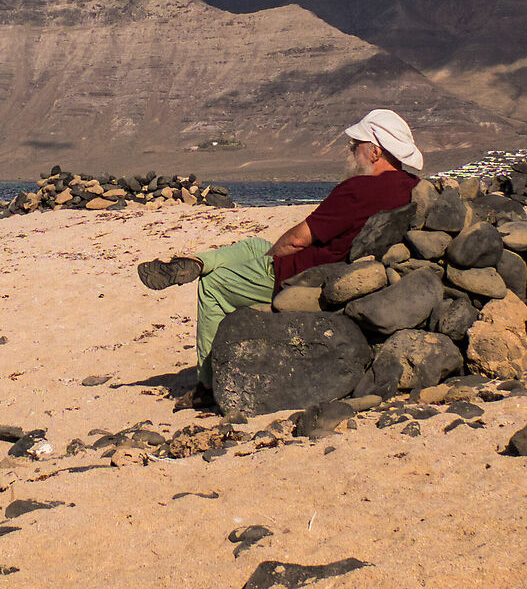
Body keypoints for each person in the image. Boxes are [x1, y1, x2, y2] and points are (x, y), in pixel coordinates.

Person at [137, 109, 423, 402]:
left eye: (356, 145)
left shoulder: (358, 189)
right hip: (337, 265)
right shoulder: (411, 187)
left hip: (306, 273)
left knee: (214, 285)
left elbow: (298, 239)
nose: (351, 151)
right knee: (253, 245)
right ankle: (195, 263)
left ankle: (207, 387)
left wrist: (271, 259)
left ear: (375, 152)